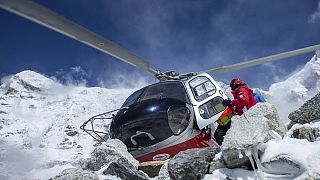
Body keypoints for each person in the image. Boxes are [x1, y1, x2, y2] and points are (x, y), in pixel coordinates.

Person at [213, 78, 257, 145]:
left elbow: (244, 101)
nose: (231, 87)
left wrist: (231, 102)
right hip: (243, 116)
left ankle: (224, 146)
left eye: (231, 85)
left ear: (235, 84)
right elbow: (240, 105)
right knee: (221, 131)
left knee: (221, 132)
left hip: (246, 117)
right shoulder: (240, 91)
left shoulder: (241, 90)